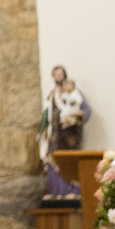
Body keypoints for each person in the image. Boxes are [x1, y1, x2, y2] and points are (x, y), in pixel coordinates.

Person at [38, 65, 91, 198]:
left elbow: (86, 110)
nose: (58, 77)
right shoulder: (52, 96)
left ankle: (72, 192)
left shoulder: (74, 93)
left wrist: (79, 114)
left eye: (60, 74)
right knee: (53, 162)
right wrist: (43, 132)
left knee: (68, 162)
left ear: (64, 75)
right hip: (54, 136)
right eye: (56, 74)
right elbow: (46, 116)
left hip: (69, 138)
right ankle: (55, 192)